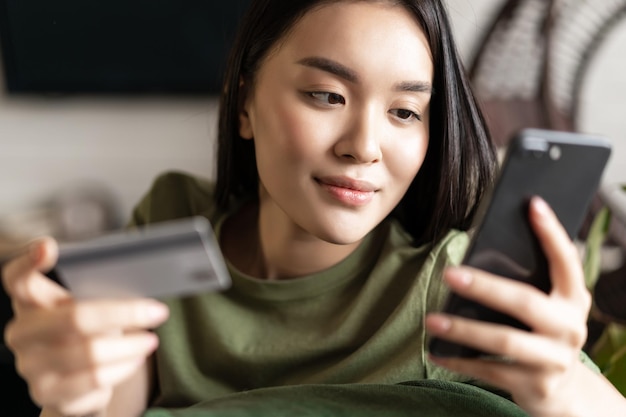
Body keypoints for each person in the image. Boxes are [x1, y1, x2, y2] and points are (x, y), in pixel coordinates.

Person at [2, 0, 625, 416]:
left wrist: (561, 382)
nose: (362, 147)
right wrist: (74, 390)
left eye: (405, 112)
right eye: (327, 95)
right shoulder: (170, 218)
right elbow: (122, 398)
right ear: (243, 102)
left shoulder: (448, 284)